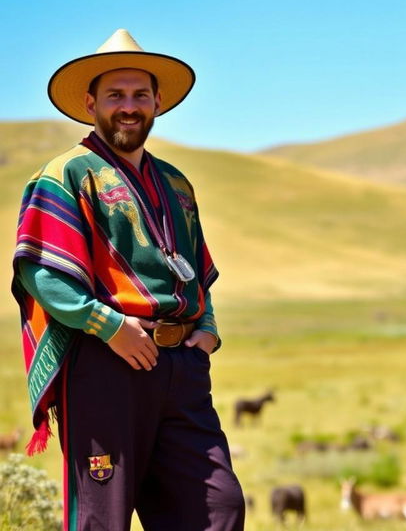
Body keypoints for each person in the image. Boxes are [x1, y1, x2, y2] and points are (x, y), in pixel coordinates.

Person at [12, 29, 245, 531]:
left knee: (217, 508)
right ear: (91, 102)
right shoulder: (67, 173)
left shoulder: (177, 183)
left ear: (158, 101)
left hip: (182, 369)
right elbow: (40, 272)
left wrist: (205, 330)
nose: (128, 106)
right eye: (115, 95)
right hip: (105, 364)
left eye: (140, 94)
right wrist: (109, 326)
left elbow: (196, 269)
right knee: (104, 519)